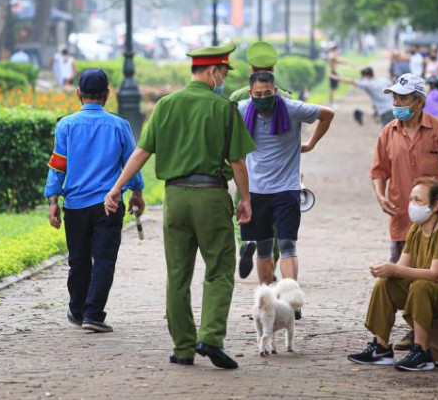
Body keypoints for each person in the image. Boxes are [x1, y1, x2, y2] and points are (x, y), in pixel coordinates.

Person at [104, 43, 256, 370]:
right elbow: (238, 161)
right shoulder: (224, 108)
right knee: (218, 269)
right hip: (211, 197)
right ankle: (211, 337)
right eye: (224, 72)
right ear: (214, 71)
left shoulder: (165, 105)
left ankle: (183, 347)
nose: (223, 79)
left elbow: (141, 153)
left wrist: (116, 189)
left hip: (175, 199)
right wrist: (245, 199)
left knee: (177, 274)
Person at [347, 177, 438, 371]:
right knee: (386, 284)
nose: (412, 205)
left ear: (435, 204)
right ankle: (380, 348)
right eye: (411, 199)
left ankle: (421, 352)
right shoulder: (416, 229)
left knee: (421, 287)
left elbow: (435, 274)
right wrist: (384, 270)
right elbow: (402, 268)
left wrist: (395, 269)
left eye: (418, 200)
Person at [45, 68, 145, 333]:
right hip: (108, 205)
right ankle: (93, 313)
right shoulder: (119, 125)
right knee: (103, 259)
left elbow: (58, 166)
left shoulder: (65, 125)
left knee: (78, 259)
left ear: (78, 92)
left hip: (75, 206)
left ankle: (77, 310)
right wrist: (137, 192)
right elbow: (130, 165)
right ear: (107, 95)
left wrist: (53, 199)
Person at [238, 71, 334, 311]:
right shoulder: (240, 110)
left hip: (287, 189)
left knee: (288, 245)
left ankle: (291, 303)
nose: (263, 98)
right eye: (258, 95)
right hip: (256, 190)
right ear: (250, 94)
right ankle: (267, 303)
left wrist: (311, 143)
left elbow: (327, 114)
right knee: (264, 247)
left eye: (268, 94)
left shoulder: (293, 109)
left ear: (276, 91)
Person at [370, 72, 438, 266]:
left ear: (419, 102)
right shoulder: (388, 133)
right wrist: (380, 196)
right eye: (395, 98)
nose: (396, 103)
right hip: (401, 217)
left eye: (403, 98)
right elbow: (378, 172)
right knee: (399, 275)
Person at [229, 41, 282, 279]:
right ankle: (270, 268)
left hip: (246, 166)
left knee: (244, 208)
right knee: (276, 227)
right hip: (277, 172)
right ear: (273, 68)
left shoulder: (237, 97)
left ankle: (246, 240)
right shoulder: (281, 96)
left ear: (251, 68)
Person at [330, 67, 394, 127]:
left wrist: (337, 77)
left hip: (386, 111)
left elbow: (352, 81)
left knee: (386, 134)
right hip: (395, 107)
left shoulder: (367, 83)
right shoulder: (384, 80)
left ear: (365, 76)